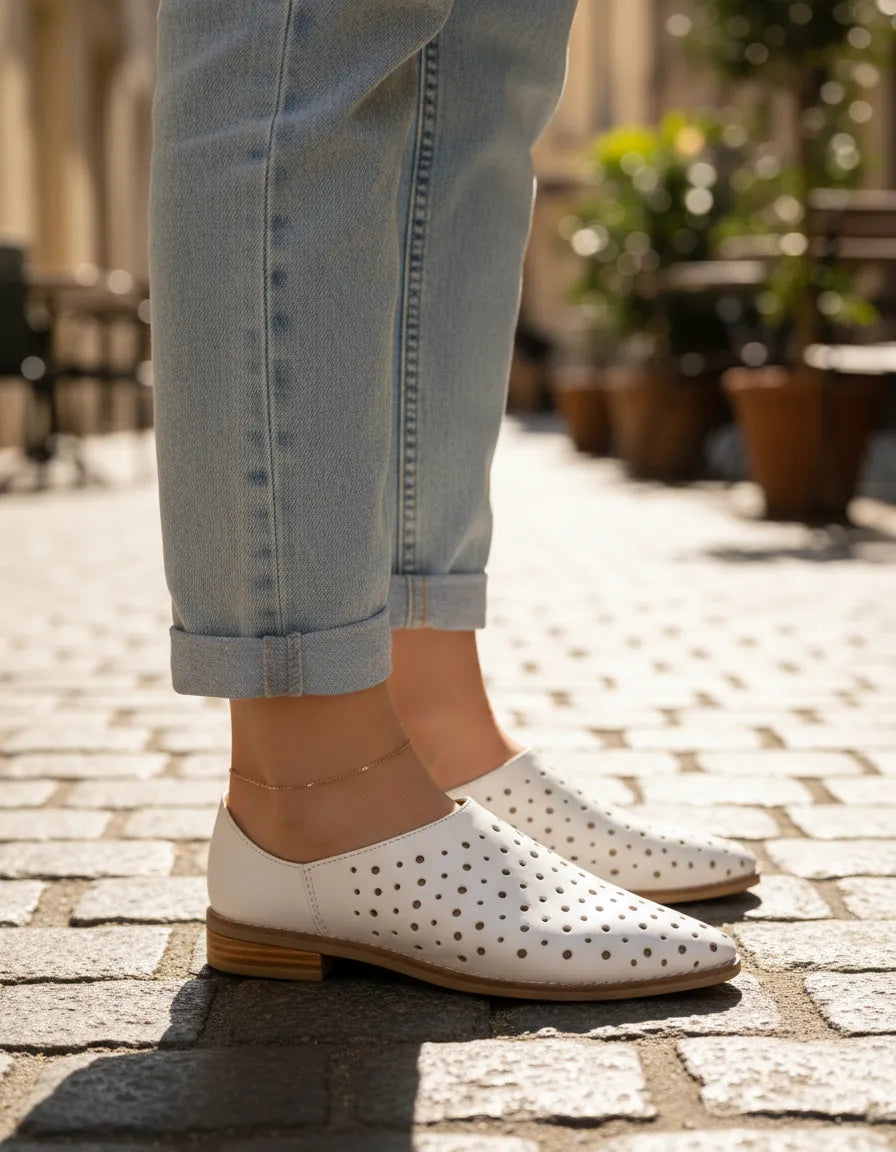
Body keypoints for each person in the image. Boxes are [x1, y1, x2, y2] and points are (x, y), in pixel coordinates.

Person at [150, 0, 757, 1000]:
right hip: (308, 798)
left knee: (477, 84)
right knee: (303, 40)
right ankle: (309, 780)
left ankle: (428, 718)